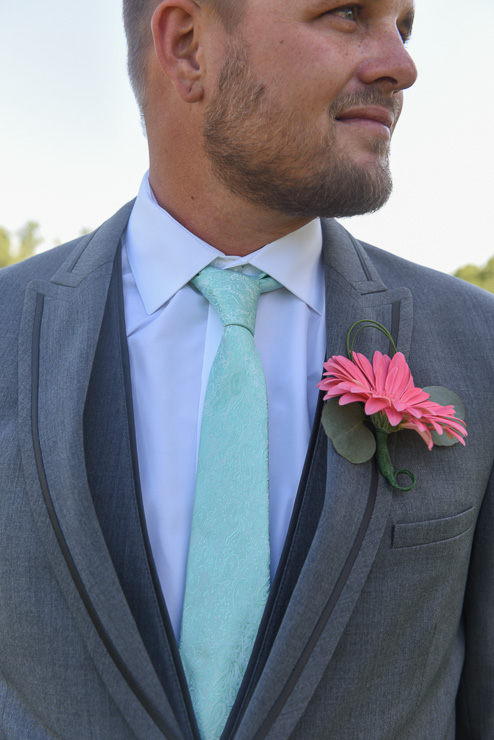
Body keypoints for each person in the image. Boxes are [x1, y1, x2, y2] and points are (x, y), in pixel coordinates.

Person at [0, 0, 493, 737]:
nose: (402, 65)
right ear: (187, 45)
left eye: (404, 26)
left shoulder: (480, 345)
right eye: (348, 13)